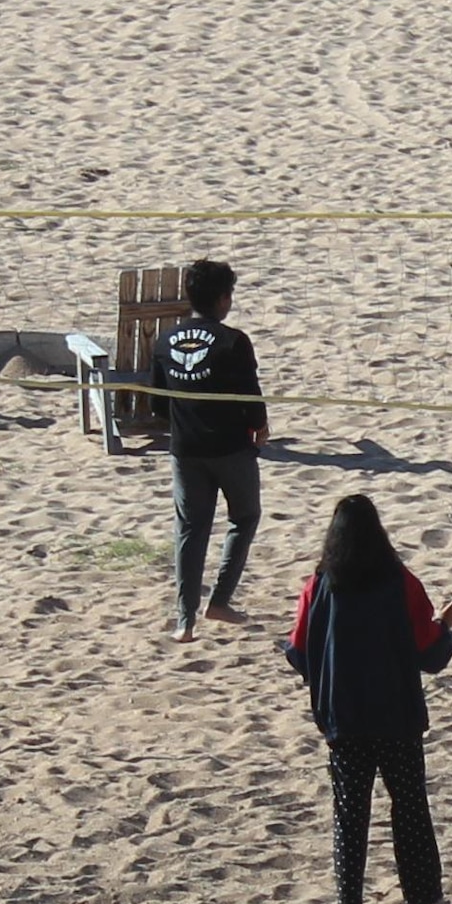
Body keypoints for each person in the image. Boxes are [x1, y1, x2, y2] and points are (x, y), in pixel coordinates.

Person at [282, 494, 452, 904]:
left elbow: (297, 651)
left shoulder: (318, 587)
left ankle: (350, 901)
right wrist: (444, 624)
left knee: (350, 810)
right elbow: (430, 652)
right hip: (396, 714)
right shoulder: (400, 581)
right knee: (409, 804)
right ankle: (422, 895)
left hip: (344, 716)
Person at [154, 258, 266, 635]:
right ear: (222, 299)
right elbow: (250, 395)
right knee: (245, 517)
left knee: (190, 529)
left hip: (185, 449)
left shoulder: (165, 340)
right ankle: (219, 601)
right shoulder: (234, 341)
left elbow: (156, 403)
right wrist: (260, 427)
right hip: (230, 448)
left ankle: (185, 620)